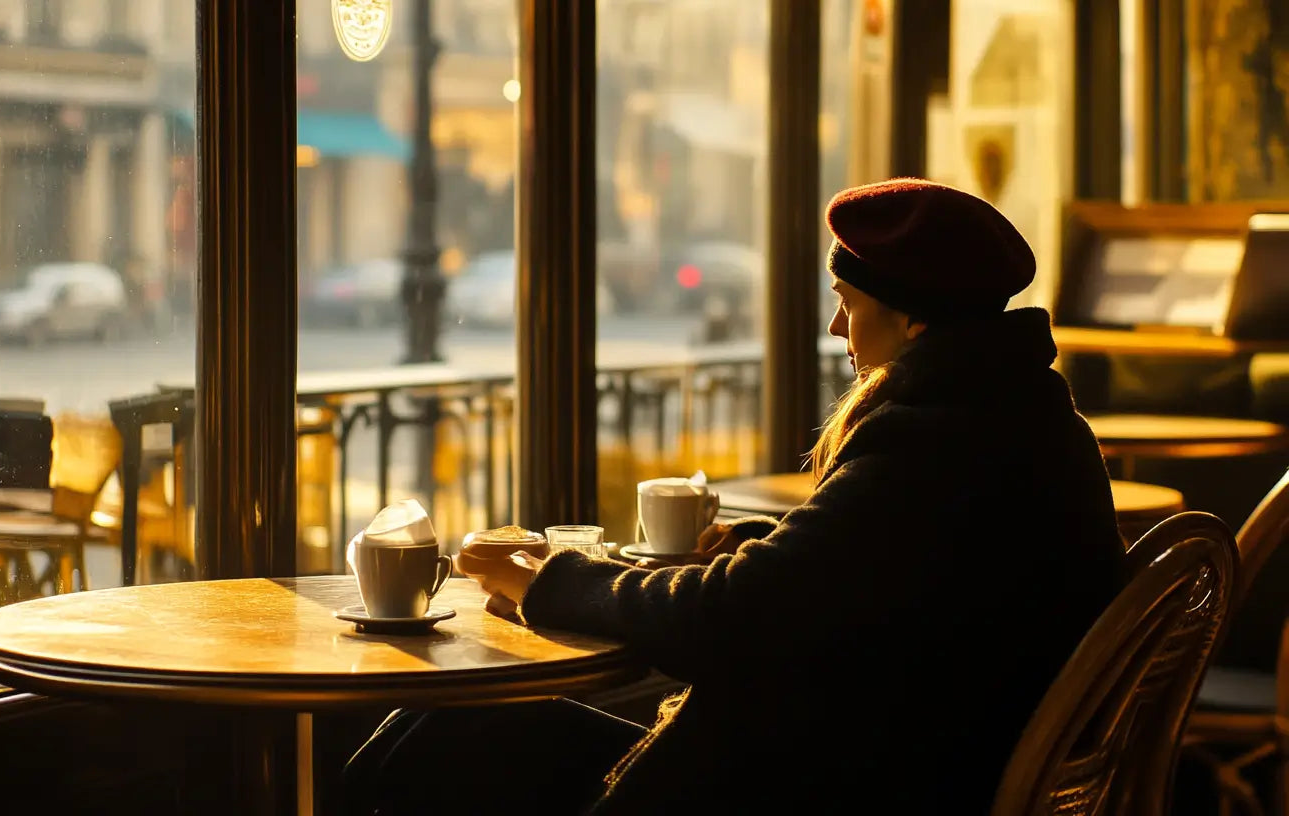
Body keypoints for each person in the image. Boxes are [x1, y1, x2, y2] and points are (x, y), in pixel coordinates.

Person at [340, 179, 1128, 815]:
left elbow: (729, 615)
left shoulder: (932, 440)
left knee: (438, 737)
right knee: (432, 729)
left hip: (838, 783)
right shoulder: (1023, 419)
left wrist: (545, 579)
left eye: (849, 304)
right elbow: (868, 573)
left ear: (913, 319)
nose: (835, 326)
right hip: (915, 761)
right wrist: (760, 546)